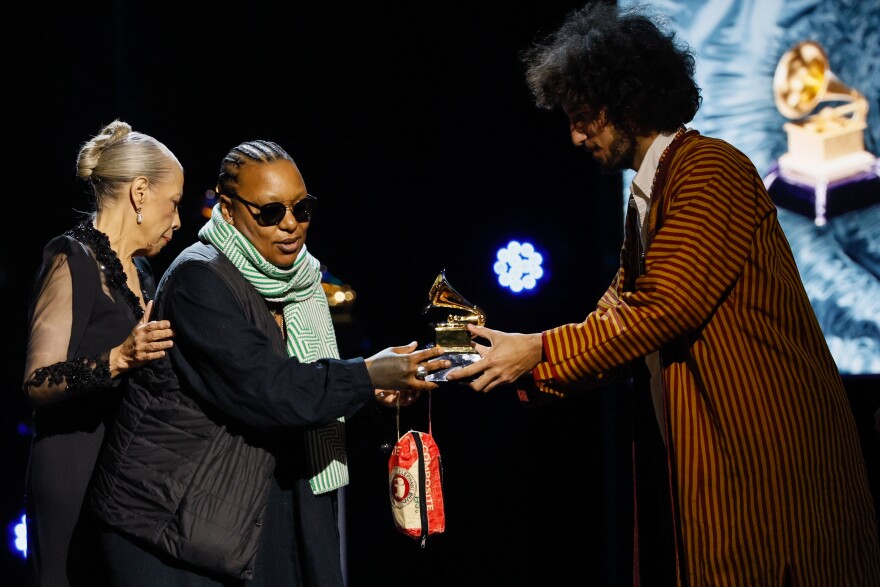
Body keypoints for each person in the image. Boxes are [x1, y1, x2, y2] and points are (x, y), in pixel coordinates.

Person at [446, 4, 880, 585]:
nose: (574, 137)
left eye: (584, 117)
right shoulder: (648, 199)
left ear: (628, 103)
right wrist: (501, 357)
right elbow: (614, 318)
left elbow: (664, 308)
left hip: (767, 463)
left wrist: (538, 350)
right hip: (720, 462)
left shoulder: (709, 169)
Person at [89, 139, 450, 586]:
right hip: (173, 529)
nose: (291, 225)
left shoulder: (300, 286)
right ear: (228, 208)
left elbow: (307, 402)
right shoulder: (197, 280)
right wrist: (364, 374)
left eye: (302, 208)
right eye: (270, 211)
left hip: (254, 513)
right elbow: (270, 390)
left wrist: (373, 393)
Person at [21, 119, 183, 587]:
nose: (177, 221)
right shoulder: (71, 258)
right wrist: (118, 358)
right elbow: (37, 381)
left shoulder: (144, 273)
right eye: (172, 204)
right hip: (74, 469)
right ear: (139, 193)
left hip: (124, 476)